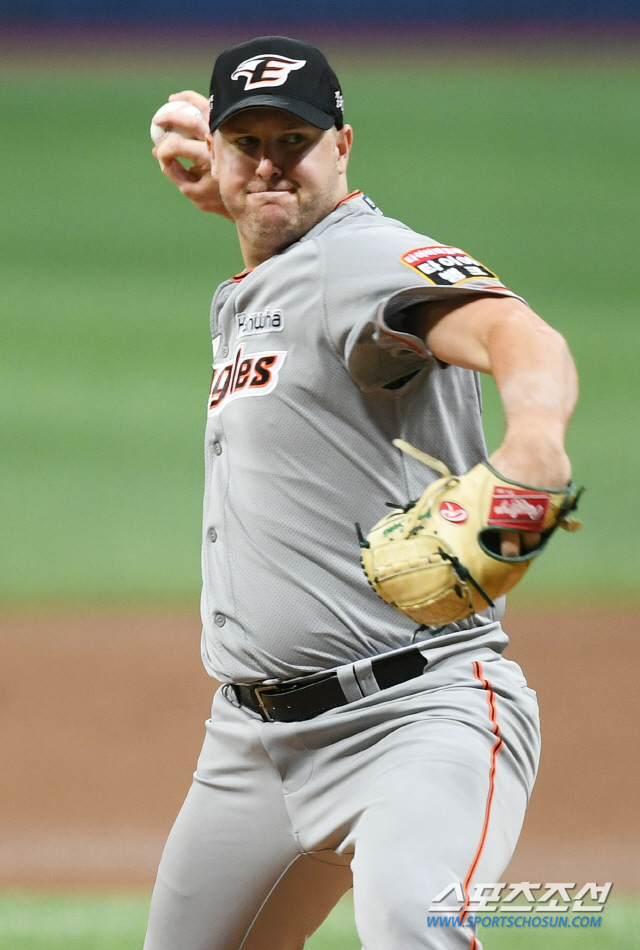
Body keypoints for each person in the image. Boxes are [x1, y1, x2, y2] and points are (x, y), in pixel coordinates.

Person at [145, 36, 578, 950]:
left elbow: (518, 333)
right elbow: (293, 260)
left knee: (413, 925)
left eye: (294, 142)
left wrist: (536, 437)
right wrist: (252, 197)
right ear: (216, 153)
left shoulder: (368, 259)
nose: (270, 162)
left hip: (415, 720)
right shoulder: (278, 270)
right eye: (246, 143)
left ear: (342, 146)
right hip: (252, 749)